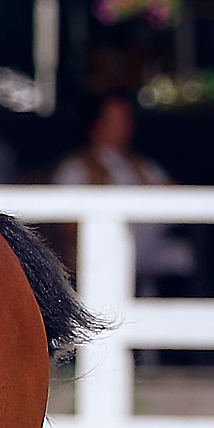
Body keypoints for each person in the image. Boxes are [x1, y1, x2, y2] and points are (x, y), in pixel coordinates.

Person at [53, 94, 195, 292]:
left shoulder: (142, 164)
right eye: (115, 120)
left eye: (126, 119)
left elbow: (175, 194)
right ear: (95, 125)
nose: (124, 126)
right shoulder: (75, 167)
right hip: (104, 256)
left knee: (189, 257)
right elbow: (66, 225)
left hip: (152, 251)